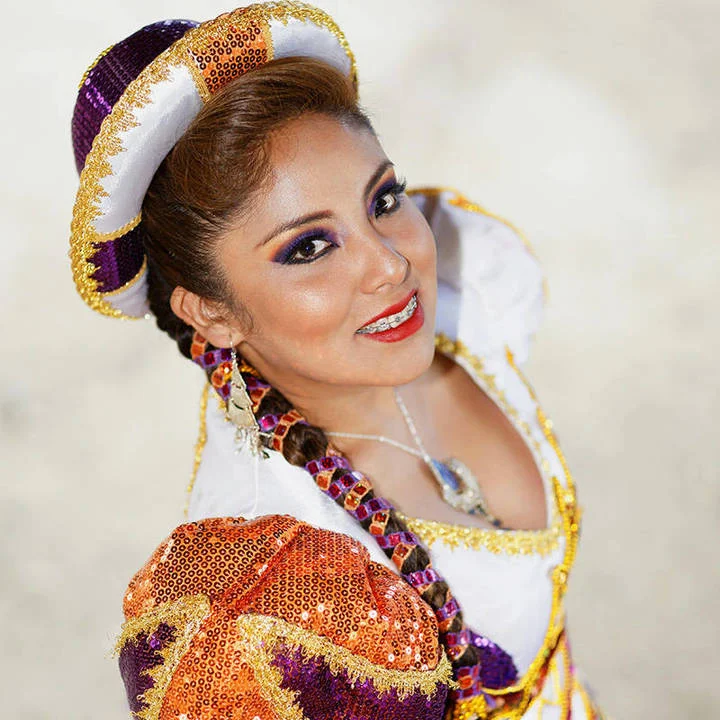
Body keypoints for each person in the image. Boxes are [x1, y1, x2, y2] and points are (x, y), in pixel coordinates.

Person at [70, 3, 605, 718]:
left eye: (383, 200)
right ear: (211, 312)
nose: (391, 265)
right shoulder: (266, 605)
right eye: (309, 248)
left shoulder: (465, 288)